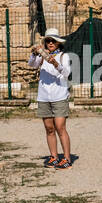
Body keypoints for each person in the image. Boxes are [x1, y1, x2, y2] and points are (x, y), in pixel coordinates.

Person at [28, 28, 73, 168]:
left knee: (60, 127)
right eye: (48, 40)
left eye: (53, 40)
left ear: (58, 42)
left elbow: (66, 73)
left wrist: (55, 64)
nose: (50, 43)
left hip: (59, 95)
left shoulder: (63, 56)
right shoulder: (43, 56)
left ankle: (66, 158)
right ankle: (53, 156)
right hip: (44, 96)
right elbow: (32, 64)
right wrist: (34, 54)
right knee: (49, 128)